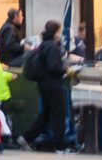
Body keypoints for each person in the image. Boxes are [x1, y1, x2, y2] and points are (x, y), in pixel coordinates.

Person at [24, 19, 70, 152]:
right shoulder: (52, 46)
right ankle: (60, 146)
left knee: (46, 114)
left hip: (44, 84)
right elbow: (54, 67)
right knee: (58, 115)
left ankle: (27, 138)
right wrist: (65, 69)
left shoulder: (44, 44)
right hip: (53, 84)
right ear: (56, 32)